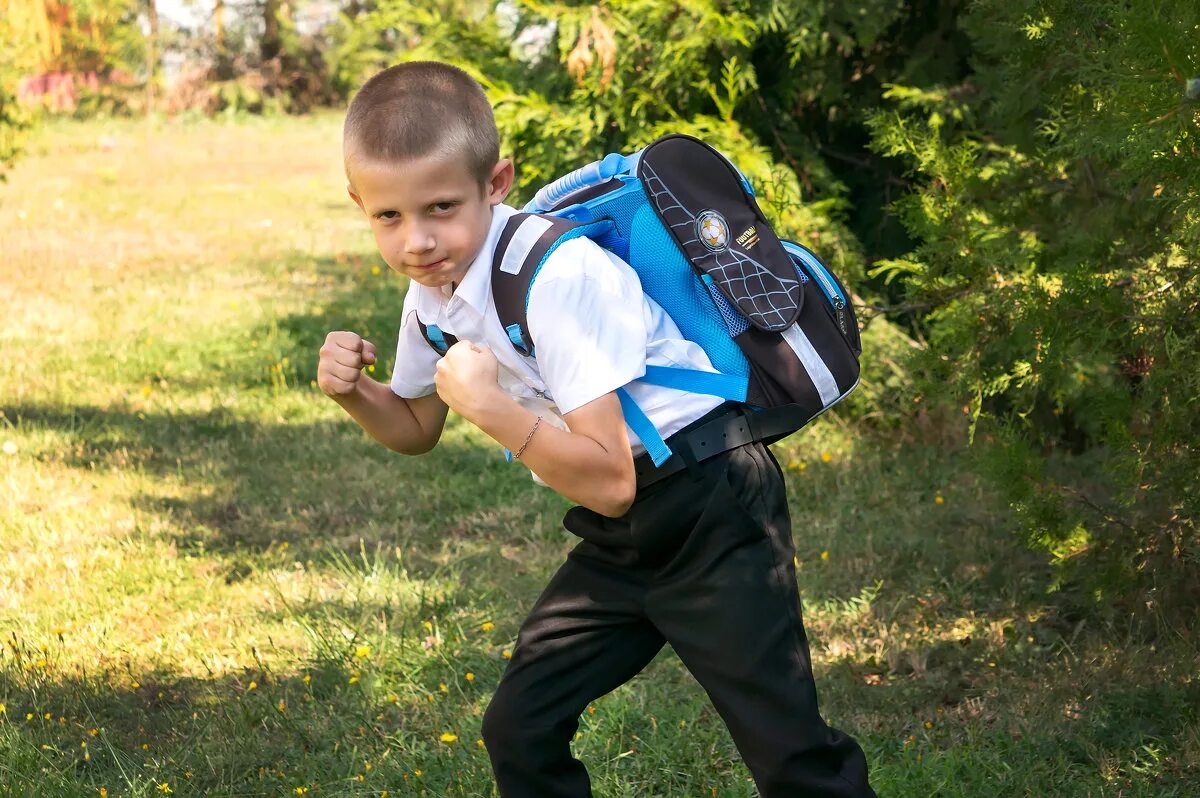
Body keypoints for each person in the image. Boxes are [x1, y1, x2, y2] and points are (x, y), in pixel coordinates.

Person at [317, 60, 877, 798]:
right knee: (519, 727)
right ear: (359, 203)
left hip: (712, 501)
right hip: (628, 533)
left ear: (496, 182)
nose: (417, 242)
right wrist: (358, 394)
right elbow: (419, 424)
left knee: (788, 751)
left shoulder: (559, 278)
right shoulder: (435, 291)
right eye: (388, 217)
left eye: (441, 208)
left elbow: (609, 480)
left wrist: (493, 409)